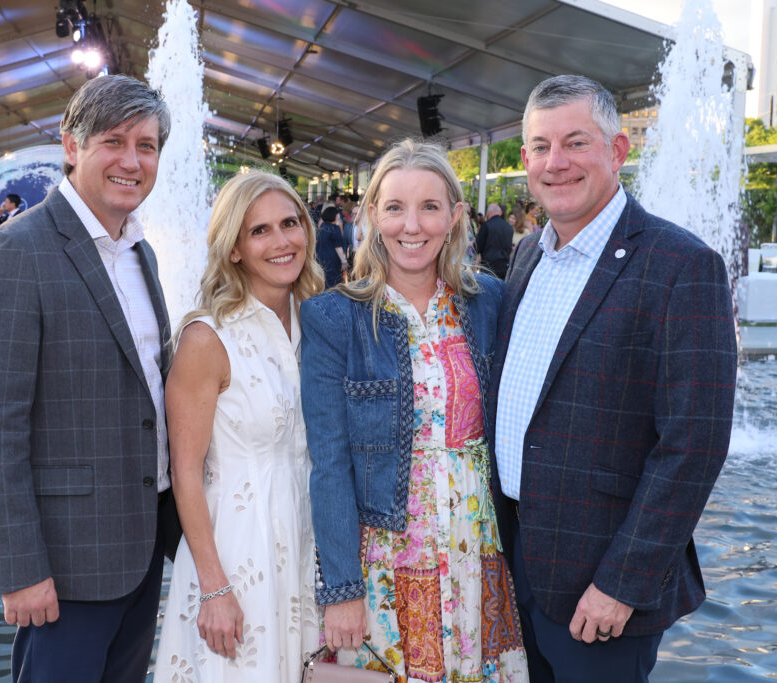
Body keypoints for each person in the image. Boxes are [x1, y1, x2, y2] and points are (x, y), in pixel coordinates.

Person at [488, 75, 737, 683]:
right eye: (541, 147)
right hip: (518, 562)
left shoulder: (683, 266)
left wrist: (622, 583)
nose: (556, 162)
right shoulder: (527, 255)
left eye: (576, 143)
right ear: (525, 159)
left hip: (600, 589)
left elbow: (694, 445)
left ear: (618, 150)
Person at [0, 74, 179, 682]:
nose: (132, 161)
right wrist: (20, 568)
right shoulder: (14, 252)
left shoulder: (140, 253)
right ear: (72, 146)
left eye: (147, 146)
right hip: (62, 567)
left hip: (138, 550)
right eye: (114, 141)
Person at [301, 139, 528, 683]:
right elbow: (329, 463)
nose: (412, 225)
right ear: (373, 215)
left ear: (454, 216)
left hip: (481, 548)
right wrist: (342, 590)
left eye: (429, 207)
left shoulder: (490, 301)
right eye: (395, 207)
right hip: (388, 559)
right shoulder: (334, 318)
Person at [155, 171, 322, 679]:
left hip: (307, 546)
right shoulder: (207, 338)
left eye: (289, 223)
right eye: (259, 231)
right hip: (235, 554)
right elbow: (185, 472)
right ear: (233, 248)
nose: (282, 241)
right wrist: (215, 587)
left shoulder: (318, 323)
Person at [474, 202, 514, 278]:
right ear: (500, 212)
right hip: (504, 265)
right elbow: (509, 248)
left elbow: (478, 246)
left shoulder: (486, 225)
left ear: (488, 212)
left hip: (488, 265)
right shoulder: (508, 227)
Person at [314, 205, 348, 287]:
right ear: (334, 216)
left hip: (321, 257)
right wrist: (344, 261)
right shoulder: (334, 228)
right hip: (333, 259)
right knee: (334, 282)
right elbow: (338, 247)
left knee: (324, 282)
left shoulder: (322, 227)